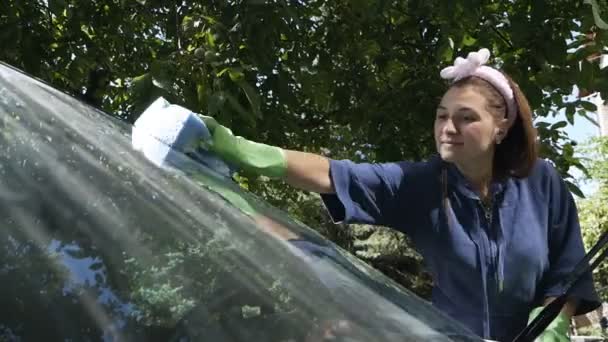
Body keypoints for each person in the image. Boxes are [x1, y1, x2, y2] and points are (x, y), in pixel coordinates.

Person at [198, 48, 601, 342]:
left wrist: (554, 324)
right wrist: (241, 150)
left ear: (501, 128)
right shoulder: (421, 184)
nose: (448, 127)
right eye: (442, 115)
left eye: (466, 118)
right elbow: (334, 174)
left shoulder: (542, 183)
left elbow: (568, 269)